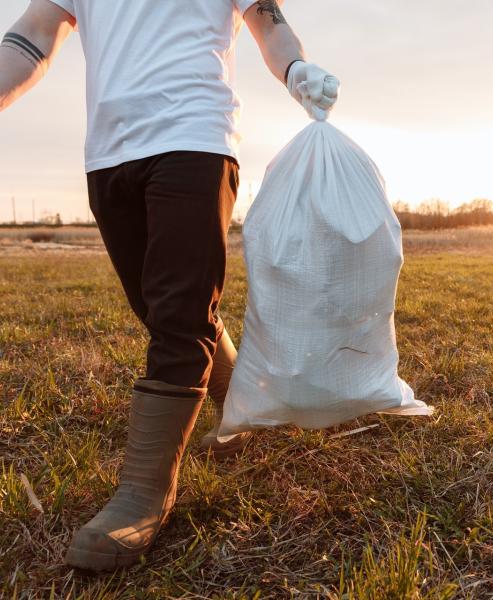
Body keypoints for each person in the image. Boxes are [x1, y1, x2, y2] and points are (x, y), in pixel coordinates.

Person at [0, 0, 339, 571]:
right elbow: (34, 32)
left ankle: (143, 495)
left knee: (179, 316)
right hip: (109, 152)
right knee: (162, 306)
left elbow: (267, 22)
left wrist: (296, 70)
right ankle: (243, 404)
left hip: (195, 138)